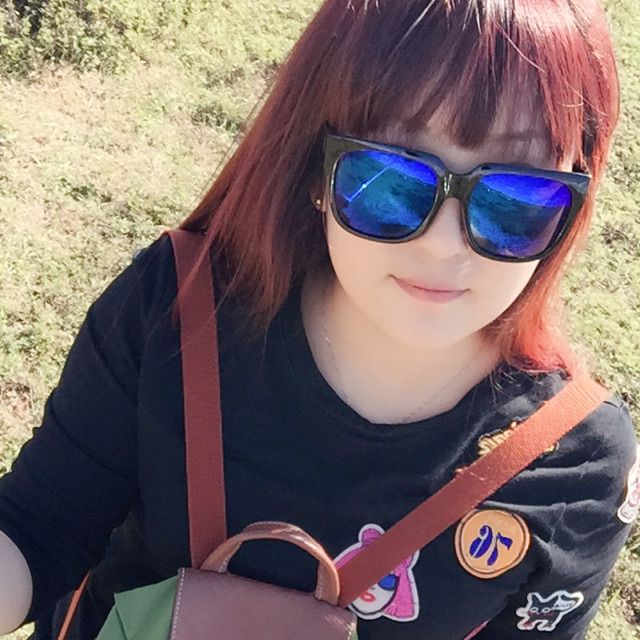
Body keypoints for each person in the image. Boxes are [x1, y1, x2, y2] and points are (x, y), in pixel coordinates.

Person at [0, 0, 638, 638]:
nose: (445, 245)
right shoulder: (180, 305)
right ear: (315, 167)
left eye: (515, 196)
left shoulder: (574, 459)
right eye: (388, 179)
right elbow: (37, 529)